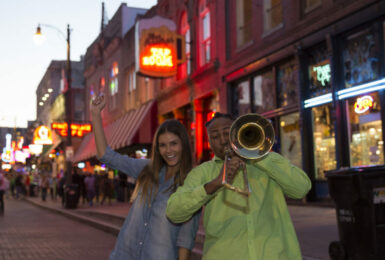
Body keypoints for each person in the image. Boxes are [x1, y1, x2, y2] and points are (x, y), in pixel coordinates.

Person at [166, 112, 312, 260]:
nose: (223, 141)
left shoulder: (269, 160)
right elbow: (174, 212)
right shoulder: (202, 172)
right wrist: (215, 183)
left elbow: (302, 189)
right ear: (209, 142)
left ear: (239, 133)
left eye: (227, 133)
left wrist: (257, 156)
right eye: (215, 137)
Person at [90, 94, 200, 260]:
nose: (168, 150)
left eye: (174, 143)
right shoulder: (147, 168)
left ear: (183, 144)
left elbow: (185, 240)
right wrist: (96, 114)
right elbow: (106, 156)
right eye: (163, 145)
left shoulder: (191, 183)